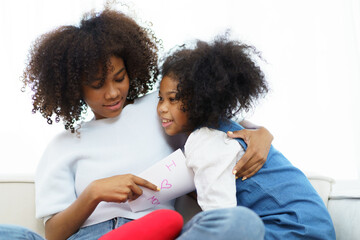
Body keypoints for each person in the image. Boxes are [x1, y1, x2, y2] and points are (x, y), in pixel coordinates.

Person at [2, 7, 272, 240]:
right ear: (74, 89)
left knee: (243, 222)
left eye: (119, 78)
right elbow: (54, 234)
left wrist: (262, 134)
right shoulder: (63, 146)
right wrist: (94, 193)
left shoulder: (161, 107)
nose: (112, 93)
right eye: (97, 85)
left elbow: (224, 122)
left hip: (161, 231)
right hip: (91, 234)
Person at [156, 36, 336, 239]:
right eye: (160, 98)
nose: (162, 108)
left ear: (200, 99)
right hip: (315, 229)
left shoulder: (206, 139)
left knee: (195, 225)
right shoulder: (230, 129)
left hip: (291, 231)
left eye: (172, 99)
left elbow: (219, 217)